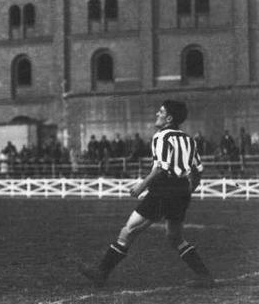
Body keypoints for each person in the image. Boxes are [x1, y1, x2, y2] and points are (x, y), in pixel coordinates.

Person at [79, 100, 214, 288]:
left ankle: (101, 272)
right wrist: (188, 189)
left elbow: (160, 168)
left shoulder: (161, 137)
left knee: (129, 230)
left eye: (160, 112)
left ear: (169, 118)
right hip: (181, 190)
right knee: (175, 236)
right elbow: (198, 170)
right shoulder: (188, 139)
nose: (156, 115)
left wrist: (141, 186)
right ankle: (205, 276)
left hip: (163, 189)